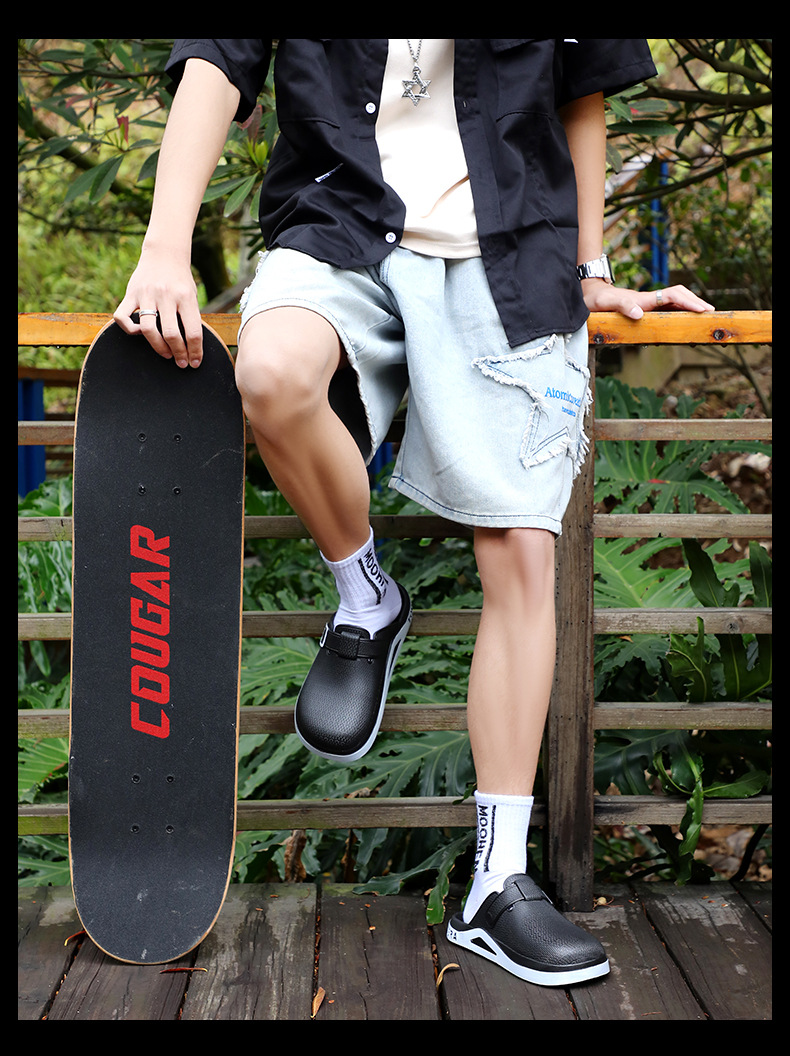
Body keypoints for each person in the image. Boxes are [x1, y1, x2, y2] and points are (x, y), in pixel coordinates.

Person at [115, 39, 714, 987]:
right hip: (337, 226)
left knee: (523, 552)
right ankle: (365, 594)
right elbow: (215, 64)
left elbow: (583, 88)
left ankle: (497, 883)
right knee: (270, 376)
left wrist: (590, 265)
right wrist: (162, 251)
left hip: (510, 251)